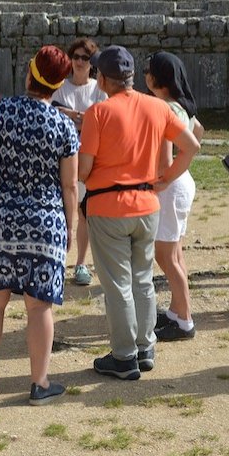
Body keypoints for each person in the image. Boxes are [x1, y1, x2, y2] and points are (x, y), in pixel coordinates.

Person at [0, 46, 79, 405]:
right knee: (39, 307)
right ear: (57, 86)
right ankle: (39, 383)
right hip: (44, 221)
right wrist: (69, 226)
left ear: (30, 75)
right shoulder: (63, 125)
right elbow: (70, 185)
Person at [80, 46, 200, 380]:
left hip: (108, 207)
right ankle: (145, 347)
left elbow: (85, 169)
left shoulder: (98, 112)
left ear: (102, 78)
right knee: (142, 279)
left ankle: (123, 355)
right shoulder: (157, 107)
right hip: (147, 204)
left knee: (117, 284)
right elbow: (192, 145)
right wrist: (168, 176)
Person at [144, 53, 204, 342]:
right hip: (182, 182)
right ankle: (178, 312)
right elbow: (199, 131)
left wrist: (163, 177)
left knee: (165, 256)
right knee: (175, 253)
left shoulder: (162, 106)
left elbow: (165, 155)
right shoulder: (182, 106)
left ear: (155, 79)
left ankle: (185, 319)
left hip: (170, 186)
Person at [51, 36, 107, 286]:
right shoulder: (61, 86)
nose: (80, 61)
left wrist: (74, 116)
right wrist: (76, 116)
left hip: (89, 155)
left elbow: (102, 119)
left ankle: (81, 263)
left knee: (83, 211)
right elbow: (52, 112)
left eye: (85, 58)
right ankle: (56, 260)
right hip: (62, 155)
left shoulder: (99, 88)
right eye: (76, 57)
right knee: (62, 209)